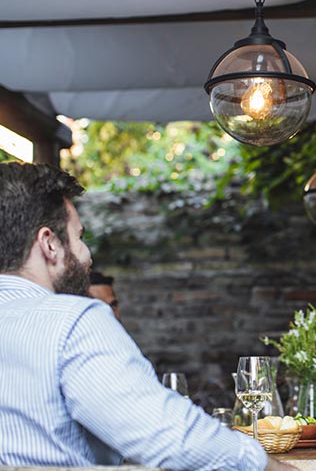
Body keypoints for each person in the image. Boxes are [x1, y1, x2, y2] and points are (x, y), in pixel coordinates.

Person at [0, 162, 292, 471]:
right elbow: (169, 437)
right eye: (80, 237)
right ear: (49, 244)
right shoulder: (70, 322)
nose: (88, 255)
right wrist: (265, 465)